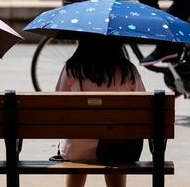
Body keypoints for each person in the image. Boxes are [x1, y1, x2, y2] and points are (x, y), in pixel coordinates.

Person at [54, 36, 145, 187]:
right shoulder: (128, 70)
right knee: (116, 152)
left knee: (77, 149)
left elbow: (58, 104)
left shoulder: (72, 68)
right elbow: (141, 109)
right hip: (118, 149)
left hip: (76, 150)